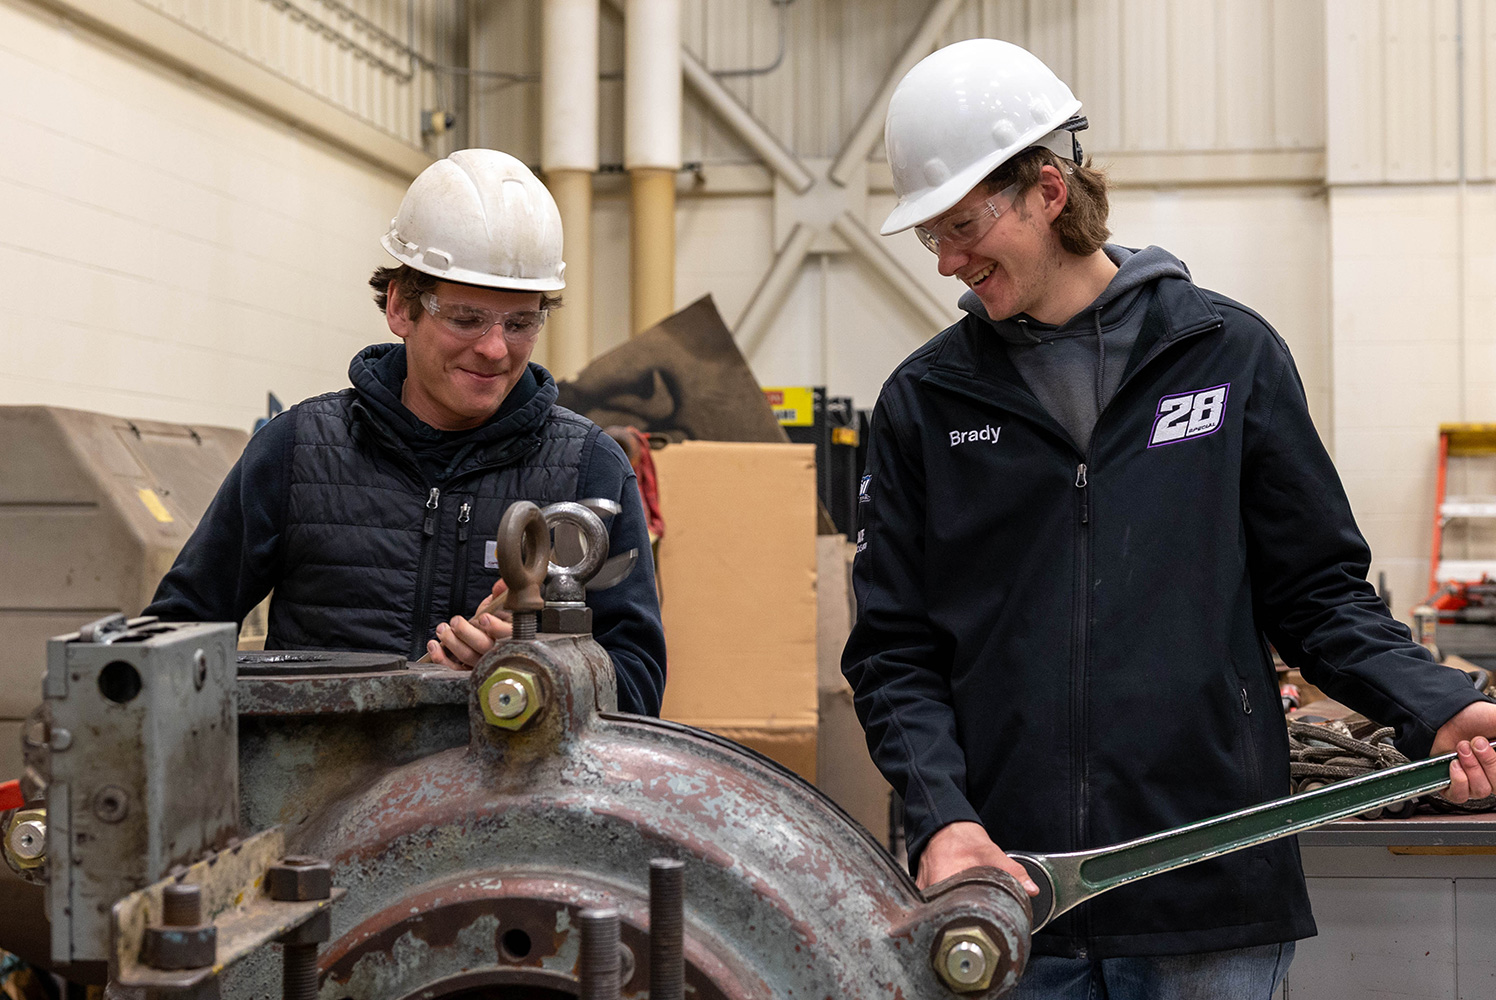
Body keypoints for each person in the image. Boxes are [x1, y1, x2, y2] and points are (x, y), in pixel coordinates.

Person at [842, 38, 1496, 997]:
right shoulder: (925, 403)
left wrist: (1438, 708)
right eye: (931, 235)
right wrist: (944, 819)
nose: (946, 261)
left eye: (961, 225)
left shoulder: (1226, 357)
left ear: (1048, 190)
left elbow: (1317, 597)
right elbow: (894, 650)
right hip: (1014, 898)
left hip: (1209, 894)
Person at [147, 149, 665, 716]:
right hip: (317, 796)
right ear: (400, 307)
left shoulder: (590, 469)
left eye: (520, 323)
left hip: (509, 799)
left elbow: (639, 685)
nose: (495, 349)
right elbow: (175, 636)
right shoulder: (297, 450)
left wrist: (540, 669)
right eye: (466, 318)